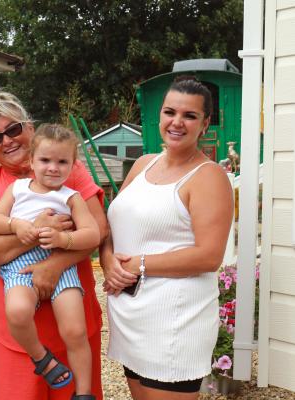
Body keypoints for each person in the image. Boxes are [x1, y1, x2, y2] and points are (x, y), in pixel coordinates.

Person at [0, 92, 108, 400]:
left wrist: (53, 265)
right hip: (14, 336)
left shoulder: (68, 171)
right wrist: (37, 230)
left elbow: (98, 229)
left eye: (13, 129)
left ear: (30, 128)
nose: (7, 141)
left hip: (72, 321)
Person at [100, 76, 234, 400]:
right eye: (169, 112)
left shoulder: (209, 176)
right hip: (131, 315)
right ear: (159, 116)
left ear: (205, 124)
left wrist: (138, 264)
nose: (177, 122)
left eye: (189, 116)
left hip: (174, 320)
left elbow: (208, 256)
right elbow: (111, 224)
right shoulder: (144, 164)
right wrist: (107, 261)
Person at [0, 123, 100, 398]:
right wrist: (16, 226)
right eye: (45, 160)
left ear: (73, 165)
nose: (53, 168)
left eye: (62, 162)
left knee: (75, 329)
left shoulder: (70, 197)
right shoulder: (18, 189)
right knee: (17, 312)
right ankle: (41, 358)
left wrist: (65, 241)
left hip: (59, 262)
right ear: (32, 161)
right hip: (19, 263)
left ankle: (84, 392)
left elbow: (93, 233)